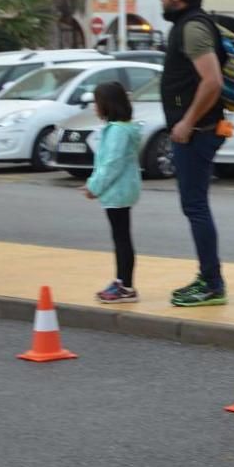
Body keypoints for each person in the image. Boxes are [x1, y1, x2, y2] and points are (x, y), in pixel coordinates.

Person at [159, 0, 229, 307]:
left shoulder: (192, 28)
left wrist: (187, 122)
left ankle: (213, 283)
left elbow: (212, 81)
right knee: (194, 205)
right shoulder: (187, 25)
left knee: (196, 205)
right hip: (196, 131)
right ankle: (208, 276)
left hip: (197, 133)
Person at [82, 82, 142, 303]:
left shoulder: (117, 131)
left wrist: (94, 187)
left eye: (96, 102)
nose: (94, 107)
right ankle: (121, 281)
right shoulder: (121, 128)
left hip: (117, 192)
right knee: (121, 237)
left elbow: (111, 164)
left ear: (107, 104)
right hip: (120, 190)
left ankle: (125, 286)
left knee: (121, 238)